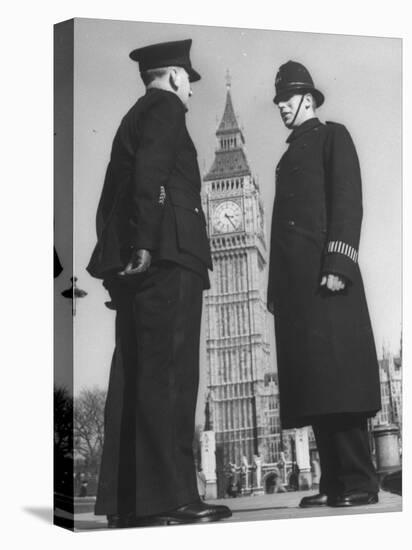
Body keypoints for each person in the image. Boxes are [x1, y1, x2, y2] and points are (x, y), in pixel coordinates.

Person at [87, 39, 231, 528]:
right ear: (172, 76)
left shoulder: (132, 117)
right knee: (170, 378)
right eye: (188, 79)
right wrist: (148, 243)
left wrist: (118, 263)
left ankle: (129, 504)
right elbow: (150, 176)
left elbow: (111, 200)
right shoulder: (166, 107)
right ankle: (172, 499)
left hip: (137, 264)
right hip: (169, 257)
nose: (190, 89)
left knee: (134, 379)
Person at [267, 61, 381, 508]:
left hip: (328, 279)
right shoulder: (285, 156)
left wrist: (338, 260)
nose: (280, 107)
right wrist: (276, 290)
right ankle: (333, 481)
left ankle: (358, 481)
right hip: (298, 291)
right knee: (317, 386)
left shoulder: (334, 136)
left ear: (308, 100)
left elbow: (347, 199)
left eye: (287, 100)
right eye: (277, 101)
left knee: (341, 383)